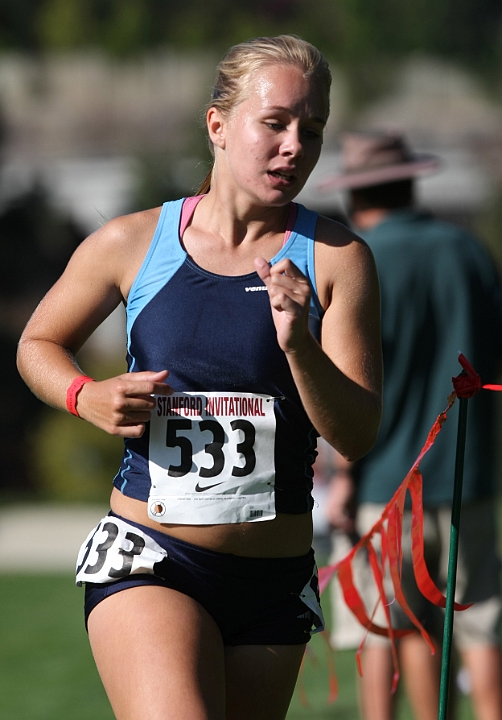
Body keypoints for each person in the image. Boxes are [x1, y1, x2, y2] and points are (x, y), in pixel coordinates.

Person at [16, 37, 382, 720]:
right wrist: (82, 395)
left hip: (273, 581)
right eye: (274, 123)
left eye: (312, 128)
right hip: (154, 561)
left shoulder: (338, 259)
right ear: (218, 126)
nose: (294, 145)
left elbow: (357, 433)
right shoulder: (130, 243)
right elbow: (38, 342)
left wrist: (298, 346)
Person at [321, 131, 502, 720]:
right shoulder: (470, 252)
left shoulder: (360, 259)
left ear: (355, 195)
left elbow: (356, 385)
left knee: (390, 629)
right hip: (469, 477)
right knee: (478, 625)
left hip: (386, 487)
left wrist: (343, 478)